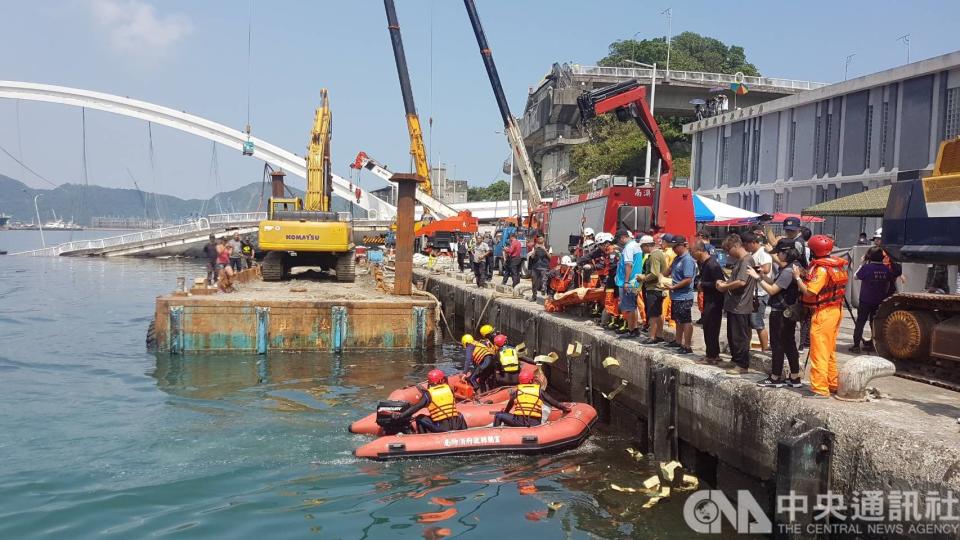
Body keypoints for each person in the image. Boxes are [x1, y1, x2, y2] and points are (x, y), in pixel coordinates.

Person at [795, 235, 848, 398]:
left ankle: (819, 388)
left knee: (819, 350)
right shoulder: (835, 265)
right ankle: (832, 383)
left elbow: (810, 291)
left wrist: (797, 277)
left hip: (824, 312)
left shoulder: (822, 269)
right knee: (829, 349)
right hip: (836, 309)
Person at [748, 240, 802, 388]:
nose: (777, 255)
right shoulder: (792, 267)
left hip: (780, 313)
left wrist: (756, 277)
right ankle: (795, 377)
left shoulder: (787, 271)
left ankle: (775, 377)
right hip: (787, 312)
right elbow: (774, 283)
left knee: (778, 345)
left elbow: (772, 290)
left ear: (786, 253)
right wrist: (762, 275)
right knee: (789, 344)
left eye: (779, 252)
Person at [715, 234, 757, 375]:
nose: (728, 253)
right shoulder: (740, 260)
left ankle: (742, 364)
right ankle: (735, 359)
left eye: (728, 250)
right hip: (734, 304)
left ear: (736, 246)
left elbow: (741, 282)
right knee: (732, 335)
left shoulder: (746, 260)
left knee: (740, 336)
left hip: (741, 305)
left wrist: (724, 287)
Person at [850, 246, 901, 353]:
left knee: (860, 322)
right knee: (875, 323)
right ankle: (874, 345)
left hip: (865, 300)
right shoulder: (886, 269)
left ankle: (856, 346)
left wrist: (863, 263)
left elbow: (855, 276)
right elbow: (896, 273)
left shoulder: (866, 268)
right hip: (879, 301)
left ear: (869, 256)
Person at [393, 369, 467, 433]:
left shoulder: (428, 394)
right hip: (456, 425)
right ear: (441, 380)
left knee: (420, 418)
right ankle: (465, 433)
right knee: (459, 415)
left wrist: (401, 416)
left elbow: (416, 407)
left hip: (441, 427)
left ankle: (424, 438)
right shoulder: (449, 389)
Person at [493, 370, 570, 427]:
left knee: (498, 415)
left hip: (519, 422)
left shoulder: (517, 391)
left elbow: (510, 405)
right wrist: (564, 408)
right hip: (535, 423)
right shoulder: (539, 391)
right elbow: (553, 402)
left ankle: (495, 436)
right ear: (531, 380)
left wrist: (506, 412)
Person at [692, 240, 724, 364]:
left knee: (711, 327)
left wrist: (703, 284)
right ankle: (712, 353)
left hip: (714, 301)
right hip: (708, 298)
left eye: (694, 252)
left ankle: (712, 356)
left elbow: (719, 282)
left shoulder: (712, 264)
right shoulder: (704, 264)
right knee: (707, 327)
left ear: (700, 251)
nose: (693, 255)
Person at [663, 235, 696, 354]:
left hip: (684, 295)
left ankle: (687, 345)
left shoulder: (687, 260)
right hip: (675, 295)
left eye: (676, 247)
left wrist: (674, 287)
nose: (674, 249)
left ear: (683, 245)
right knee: (678, 320)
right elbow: (668, 271)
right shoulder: (677, 258)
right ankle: (678, 341)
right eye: (673, 247)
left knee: (686, 320)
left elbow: (688, 279)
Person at [743, 232, 771, 352]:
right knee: (748, 324)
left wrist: (752, 269)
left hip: (760, 293)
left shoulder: (763, 252)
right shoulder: (751, 253)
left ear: (753, 243)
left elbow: (766, 269)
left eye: (747, 245)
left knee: (757, 322)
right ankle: (746, 347)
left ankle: (765, 349)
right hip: (750, 293)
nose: (746, 248)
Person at [638, 235, 667, 345]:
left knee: (653, 314)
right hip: (658, 288)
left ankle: (652, 336)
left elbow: (654, 273)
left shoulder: (654, 255)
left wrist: (643, 278)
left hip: (654, 288)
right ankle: (659, 335)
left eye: (642, 247)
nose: (641, 249)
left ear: (646, 245)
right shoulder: (658, 253)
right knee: (658, 313)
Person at [614, 230, 642, 336]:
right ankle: (634, 328)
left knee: (628, 308)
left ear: (623, 237)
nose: (618, 242)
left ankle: (631, 330)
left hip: (628, 282)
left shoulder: (629, 248)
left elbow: (628, 265)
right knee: (633, 306)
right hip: (634, 281)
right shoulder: (636, 246)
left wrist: (626, 281)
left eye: (618, 239)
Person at [528, 236, 550, 302]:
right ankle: (534, 296)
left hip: (544, 267)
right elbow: (532, 256)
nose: (540, 239)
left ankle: (546, 296)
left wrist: (544, 249)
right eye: (539, 238)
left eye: (541, 238)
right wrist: (535, 250)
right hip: (535, 267)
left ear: (544, 239)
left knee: (544, 282)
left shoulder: (548, 246)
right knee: (534, 283)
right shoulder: (535, 247)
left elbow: (550, 257)